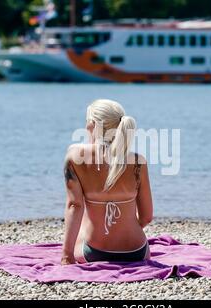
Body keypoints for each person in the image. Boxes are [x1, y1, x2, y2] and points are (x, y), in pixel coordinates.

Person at [61, 99, 153, 265]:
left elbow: (74, 206)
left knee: (83, 217)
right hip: (137, 251)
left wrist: (67, 256)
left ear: (92, 124)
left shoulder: (74, 156)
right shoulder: (138, 162)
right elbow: (146, 217)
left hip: (93, 252)